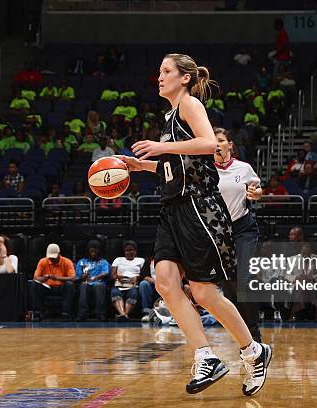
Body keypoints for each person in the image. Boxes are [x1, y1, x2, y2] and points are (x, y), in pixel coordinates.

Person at [116, 53, 271, 396]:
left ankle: (253, 350)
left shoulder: (189, 105)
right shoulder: (170, 115)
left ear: (184, 78)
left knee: (202, 291)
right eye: (159, 71)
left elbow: (208, 145)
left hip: (200, 207)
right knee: (165, 282)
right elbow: (179, 168)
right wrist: (144, 167)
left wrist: (159, 147)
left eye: (166, 71)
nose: (159, 77)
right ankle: (205, 355)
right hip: (173, 208)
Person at [213, 127, 263, 342]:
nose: (217, 144)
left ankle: (255, 334)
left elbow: (257, 189)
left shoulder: (244, 168)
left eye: (221, 140)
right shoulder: (205, 170)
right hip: (218, 232)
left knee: (244, 278)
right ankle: (244, 338)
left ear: (230, 145)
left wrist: (257, 193)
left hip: (243, 229)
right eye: (213, 141)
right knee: (229, 285)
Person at [29, 244, 75, 321]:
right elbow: (35, 277)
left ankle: (66, 313)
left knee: (69, 285)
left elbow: (73, 278)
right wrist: (44, 278)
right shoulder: (43, 261)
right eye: (50, 258)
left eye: (53, 258)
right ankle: (38, 313)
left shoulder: (67, 262)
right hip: (47, 287)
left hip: (61, 287)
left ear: (59, 254)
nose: (52, 260)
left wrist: (57, 278)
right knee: (34, 284)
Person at [76, 240, 110, 322]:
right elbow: (77, 276)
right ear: (88, 250)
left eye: (96, 249)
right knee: (83, 285)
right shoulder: (82, 261)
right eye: (92, 249)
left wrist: (94, 278)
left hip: (99, 282)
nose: (94, 251)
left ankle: (100, 314)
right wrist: (82, 276)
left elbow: (105, 272)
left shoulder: (103, 261)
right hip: (86, 282)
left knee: (98, 285)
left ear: (99, 251)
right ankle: (83, 315)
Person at [111, 241, 145, 322]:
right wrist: (118, 277)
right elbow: (113, 275)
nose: (130, 252)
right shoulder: (118, 260)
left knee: (133, 293)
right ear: (124, 251)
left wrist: (137, 278)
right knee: (115, 293)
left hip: (133, 285)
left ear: (135, 251)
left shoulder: (141, 260)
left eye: (132, 250)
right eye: (127, 250)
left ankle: (124, 315)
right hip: (119, 284)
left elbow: (144, 274)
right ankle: (123, 314)